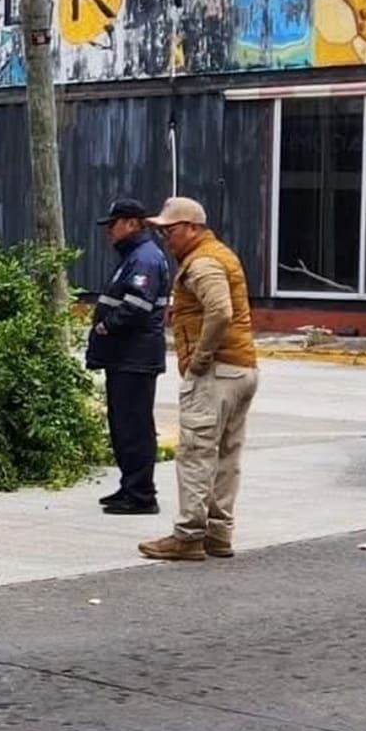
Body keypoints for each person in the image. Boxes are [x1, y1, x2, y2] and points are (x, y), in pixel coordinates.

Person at [139, 197, 259, 562]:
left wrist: (199, 360)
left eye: (170, 231)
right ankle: (218, 534)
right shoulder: (219, 254)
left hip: (217, 372)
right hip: (242, 368)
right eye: (161, 233)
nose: (165, 239)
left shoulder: (203, 261)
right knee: (226, 455)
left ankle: (189, 535)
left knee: (196, 453)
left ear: (192, 227)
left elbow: (220, 311)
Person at [85, 198, 171, 516]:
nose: (109, 231)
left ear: (133, 223)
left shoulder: (145, 258)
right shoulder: (134, 256)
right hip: (124, 357)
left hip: (134, 357)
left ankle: (141, 495)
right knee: (122, 425)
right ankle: (129, 486)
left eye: (114, 223)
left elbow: (136, 306)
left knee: (133, 426)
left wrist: (107, 326)